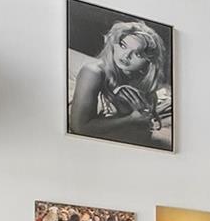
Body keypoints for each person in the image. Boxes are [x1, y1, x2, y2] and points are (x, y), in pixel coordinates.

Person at [68, 19, 171, 149]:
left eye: (138, 54)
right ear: (114, 44)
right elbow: (79, 127)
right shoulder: (93, 72)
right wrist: (131, 119)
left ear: (149, 62)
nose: (126, 55)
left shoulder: (140, 78)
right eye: (123, 46)